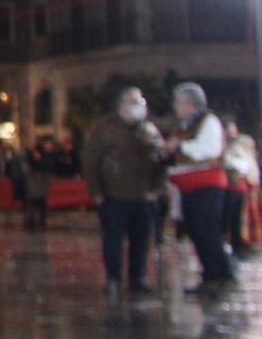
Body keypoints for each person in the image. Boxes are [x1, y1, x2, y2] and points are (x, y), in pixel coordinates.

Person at [83, 86, 165, 297]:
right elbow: (91, 161)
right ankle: (113, 277)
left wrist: (156, 189)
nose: (140, 106)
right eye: (134, 102)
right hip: (114, 195)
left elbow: (162, 160)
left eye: (141, 102)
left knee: (141, 239)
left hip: (143, 195)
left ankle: (138, 277)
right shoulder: (105, 129)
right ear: (122, 106)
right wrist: (96, 192)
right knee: (113, 239)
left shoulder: (148, 129)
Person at [167, 81, 236, 295]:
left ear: (190, 104)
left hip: (207, 185)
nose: (175, 106)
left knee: (208, 230)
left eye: (178, 102)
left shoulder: (209, 121)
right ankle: (210, 273)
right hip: (190, 186)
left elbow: (209, 149)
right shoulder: (185, 125)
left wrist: (180, 146)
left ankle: (222, 272)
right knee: (197, 231)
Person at [223, 119, 258, 259]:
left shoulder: (238, 146)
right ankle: (229, 244)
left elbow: (245, 166)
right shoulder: (224, 145)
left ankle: (238, 245)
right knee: (228, 217)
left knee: (238, 218)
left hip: (240, 186)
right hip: (229, 186)